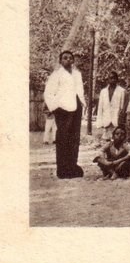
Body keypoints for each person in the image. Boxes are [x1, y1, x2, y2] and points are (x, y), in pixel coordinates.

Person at [44, 51, 86, 179]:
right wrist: (55, 107)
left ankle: (72, 166)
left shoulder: (77, 74)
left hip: (76, 107)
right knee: (63, 138)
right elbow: (48, 93)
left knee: (74, 138)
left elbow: (80, 91)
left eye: (70, 58)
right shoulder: (57, 75)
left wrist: (83, 103)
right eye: (65, 58)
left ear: (73, 60)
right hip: (63, 109)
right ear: (60, 61)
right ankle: (62, 169)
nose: (68, 60)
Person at [96, 71, 124, 143]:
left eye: (114, 78)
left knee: (117, 141)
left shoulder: (122, 91)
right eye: (111, 78)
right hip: (106, 120)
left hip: (116, 121)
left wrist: (121, 121)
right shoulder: (103, 91)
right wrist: (100, 122)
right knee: (106, 142)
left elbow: (122, 107)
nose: (113, 80)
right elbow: (100, 108)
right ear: (108, 79)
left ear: (117, 79)